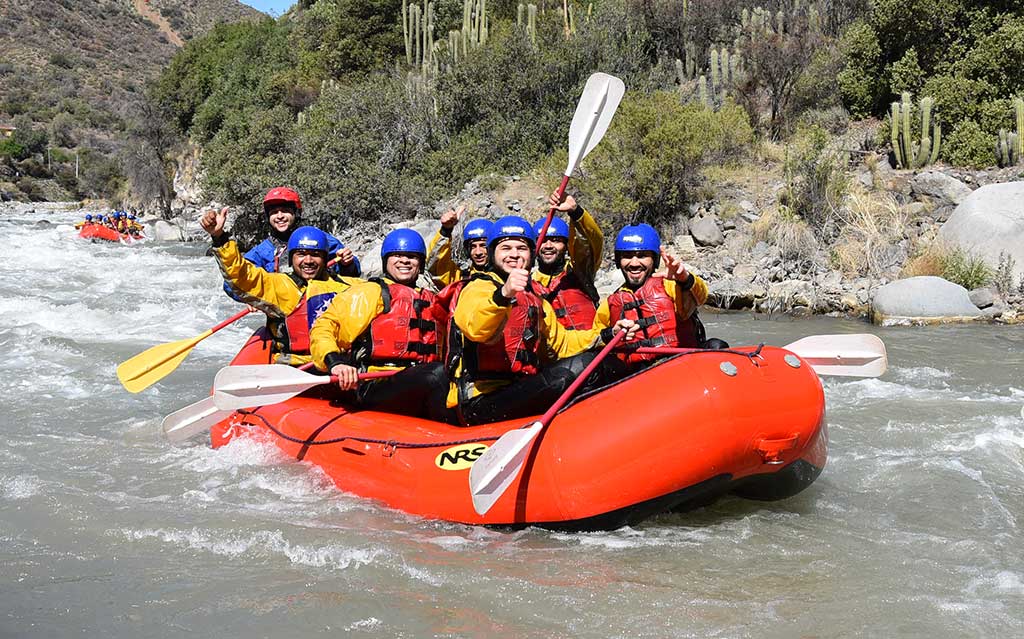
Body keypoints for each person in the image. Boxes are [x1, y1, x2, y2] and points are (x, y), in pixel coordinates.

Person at [443, 216, 637, 425]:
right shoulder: (478, 288)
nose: (514, 254)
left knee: (602, 361)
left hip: (519, 390)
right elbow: (476, 329)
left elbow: (562, 344)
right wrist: (503, 294)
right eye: (505, 248)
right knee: (584, 367)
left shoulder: (535, 298)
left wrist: (607, 335)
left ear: (531, 254)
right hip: (481, 402)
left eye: (522, 248)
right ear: (492, 254)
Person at [309, 228, 449, 418]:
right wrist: (335, 363)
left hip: (419, 380)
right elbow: (325, 327)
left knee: (442, 375)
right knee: (436, 374)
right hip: (375, 385)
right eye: (397, 256)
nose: (405, 261)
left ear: (421, 263)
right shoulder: (371, 293)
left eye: (412, 257)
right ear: (386, 261)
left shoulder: (432, 299)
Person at [202, 207, 355, 366]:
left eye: (315, 255)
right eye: (301, 254)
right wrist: (219, 238)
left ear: (325, 258)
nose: (308, 261)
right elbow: (241, 277)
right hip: (294, 365)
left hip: (340, 364)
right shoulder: (280, 286)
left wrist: (348, 265)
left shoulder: (346, 287)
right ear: (291, 259)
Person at [591, 223, 723, 372]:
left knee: (717, 346)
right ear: (618, 261)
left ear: (654, 259)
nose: (634, 263)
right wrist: (611, 334)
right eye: (627, 256)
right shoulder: (609, 303)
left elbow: (701, 296)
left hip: (679, 365)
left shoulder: (671, 287)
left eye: (642, 256)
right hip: (635, 375)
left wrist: (685, 279)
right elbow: (595, 339)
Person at [246, 186, 359, 277]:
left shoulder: (321, 239)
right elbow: (236, 282)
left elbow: (353, 274)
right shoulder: (261, 251)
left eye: (285, 211)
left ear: (297, 213)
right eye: (274, 212)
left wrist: (347, 264)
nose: (279, 216)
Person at [531, 190, 603, 330]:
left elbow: (592, 241)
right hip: (554, 351)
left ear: (566, 246)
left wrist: (575, 212)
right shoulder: (527, 283)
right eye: (543, 241)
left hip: (589, 347)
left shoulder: (580, 271)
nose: (549, 246)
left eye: (556, 240)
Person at [426, 205, 492, 286]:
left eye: (483, 246)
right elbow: (435, 266)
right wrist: (445, 231)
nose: (478, 252)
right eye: (473, 247)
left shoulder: (508, 277)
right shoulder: (461, 278)